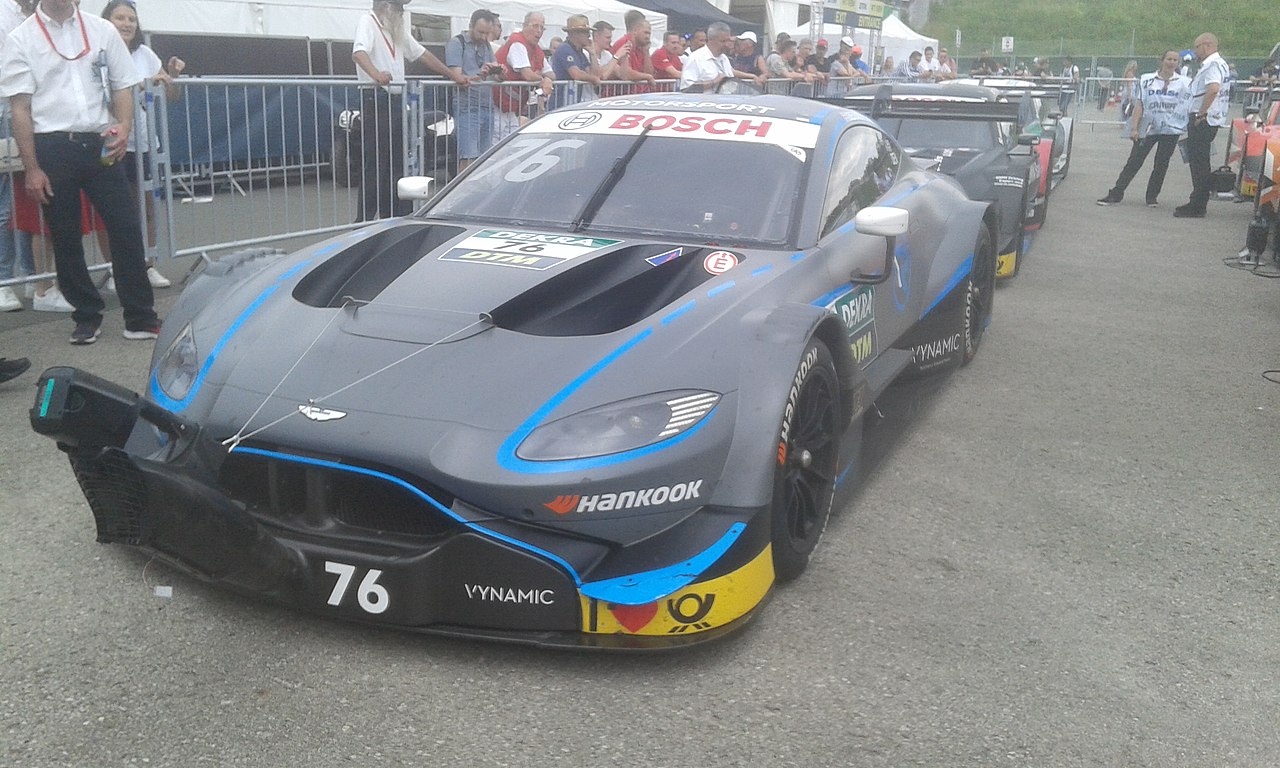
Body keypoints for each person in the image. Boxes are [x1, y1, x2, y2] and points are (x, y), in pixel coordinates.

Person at [0, 0, 162, 345]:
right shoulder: (20, 38)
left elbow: (122, 85)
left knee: (125, 226)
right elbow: (20, 107)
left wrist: (124, 127)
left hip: (100, 140)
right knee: (65, 234)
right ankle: (86, 315)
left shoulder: (101, 29)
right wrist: (32, 168)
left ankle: (140, 316)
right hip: (52, 145)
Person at [353, 0, 465, 221]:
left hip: (395, 100)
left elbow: (423, 54)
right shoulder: (368, 22)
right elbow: (359, 52)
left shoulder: (396, 31)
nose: (402, 12)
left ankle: (394, 215)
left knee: (397, 163)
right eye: (399, 8)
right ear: (386, 7)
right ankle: (363, 220)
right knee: (377, 163)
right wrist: (376, 74)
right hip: (376, 99)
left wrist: (453, 75)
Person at [101, 0, 181, 290]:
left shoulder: (145, 53)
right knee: (113, 210)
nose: (126, 24)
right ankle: (114, 270)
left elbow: (171, 95)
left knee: (146, 207)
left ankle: (147, 265)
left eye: (131, 19)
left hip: (144, 143)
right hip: (111, 140)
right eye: (120, 18)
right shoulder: (100, 52)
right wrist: (144, 83)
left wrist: (171, 76)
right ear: (106, 21)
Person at [1097, 51, 1191, 208]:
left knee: (1161, 163)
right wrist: (1134, 128)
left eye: (1175, 60)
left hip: (1171, 129)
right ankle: (1116, 192)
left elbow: (1187, 105)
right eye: (1169, 59)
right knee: (1135, 160)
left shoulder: (1184, 82)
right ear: (1162, 61)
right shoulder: (1147, 80)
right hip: (1149, 127)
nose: (1172, 62)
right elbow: (1140, 104)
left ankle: (1152, 196)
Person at [0, 0, 34, 313]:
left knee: (26, 199)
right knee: (3, 203)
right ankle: (4, 280)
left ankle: (31, 275)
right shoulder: (2, 12)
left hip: (31, 109)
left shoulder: (36, 13)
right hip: (4, 108)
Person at [1175, 33, 1231, 218]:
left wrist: (1201, 113)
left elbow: (1213, 89)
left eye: (1197, 47)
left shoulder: (1212, 65)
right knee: (1201, 161)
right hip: (1212, 119)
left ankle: (1197, 204)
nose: (1195, 51)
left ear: (1206, 46)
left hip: (1203, 120)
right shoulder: (1221, 64)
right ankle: (1198, 201)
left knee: (1199, 163)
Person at [445, 8, 498, 172]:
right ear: (470, 25)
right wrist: (480, 74)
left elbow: (495, 77)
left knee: (484, 159)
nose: (483, 37)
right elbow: (456, 76)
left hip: (487, 106)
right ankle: (463, 194)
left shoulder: (487, 45)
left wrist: (499, 72)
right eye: (480, 32)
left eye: (487, 33)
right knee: (468, 158)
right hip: (467, 108)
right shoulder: (456, 43)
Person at [494, 12, 554, 141]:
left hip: (511, 109)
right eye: (535, 26)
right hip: (496, 105)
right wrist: (542, 80)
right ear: (524, 26)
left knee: (509, 145)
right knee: (495, 148)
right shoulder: (517, 43)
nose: (539, 31)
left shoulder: (536, 49)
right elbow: (527, 74)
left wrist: (547, 79)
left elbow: (551, 74)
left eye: (542, 27)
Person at [679, 22, 754, 92]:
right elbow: (686, 89)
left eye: (728, 41)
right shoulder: (696, 58)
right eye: (723, 41)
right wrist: (714, 82)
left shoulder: (724, 58)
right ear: (710, 40)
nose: (727, 44)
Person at [548, 14, 601, 109]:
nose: (589, 35)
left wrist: (592, 53)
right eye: (585, 32)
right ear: (575, 33)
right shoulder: (564, 49)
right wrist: (593, 79)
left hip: (570, 104)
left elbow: (596, 74)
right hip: (559, 105)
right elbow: (576, 74)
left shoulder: (579, 52)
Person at [612, 13, 656, 92]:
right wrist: (647, 77)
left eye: (649, 33)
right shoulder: (624, 43)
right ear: (635, 31)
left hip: (636, 94)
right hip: (621, 95)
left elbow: (649, 72)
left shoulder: (641, 47)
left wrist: (646, 52)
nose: (648, 37)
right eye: (645, 33)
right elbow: (627, 73)